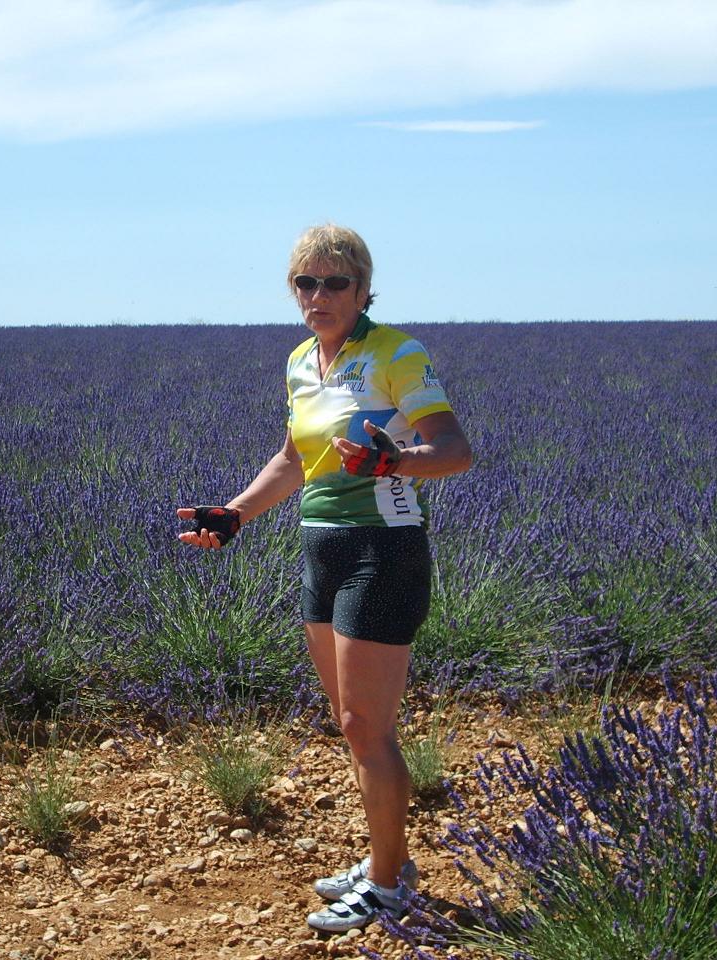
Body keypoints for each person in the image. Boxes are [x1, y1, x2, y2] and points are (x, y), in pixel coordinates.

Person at [176, 224, 473, 932]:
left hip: (385, 549)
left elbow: (455, 451)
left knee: (367, 725)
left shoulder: (395, 353)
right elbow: (292, 458)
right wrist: (235, 516)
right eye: (306, 283)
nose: (319, 295)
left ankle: (391, 885)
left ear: (365, 287)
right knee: (351, 725)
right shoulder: (302, 361)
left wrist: (393, 463)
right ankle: (383, 862)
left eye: (336, 282)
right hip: (322, 549)